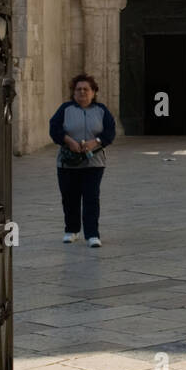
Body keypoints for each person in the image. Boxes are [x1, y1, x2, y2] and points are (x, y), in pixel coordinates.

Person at [49, 73, 116, 248]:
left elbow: (110, 132)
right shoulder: (65, 109)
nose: (82, 92)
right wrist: (68, 141)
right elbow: (54, 129)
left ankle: (92, 234)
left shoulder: (101, 111)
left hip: (94, 162)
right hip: (67, 163)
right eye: (78, 89)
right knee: (69, 196)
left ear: (93, 92)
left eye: (86, 89)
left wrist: (96, 142)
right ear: (73, 92)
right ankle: (71, 230)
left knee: (91, 197)